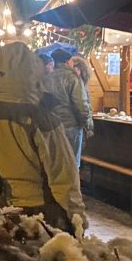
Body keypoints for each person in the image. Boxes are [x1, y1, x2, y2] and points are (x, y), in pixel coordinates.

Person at [0, 42, 84, 232]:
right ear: (31, 73)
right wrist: (77, 221)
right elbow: (64, 179)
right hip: (40, 220)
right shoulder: (42, 119)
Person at [43, 49, 93, 179]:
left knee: (55, 162)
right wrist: (87, 125)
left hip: (51, 126)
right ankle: (72, 194)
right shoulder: (72, 78)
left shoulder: (48, 78)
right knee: (72, 163)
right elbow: (81, 105)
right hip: (71, 126)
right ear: (67, 61)